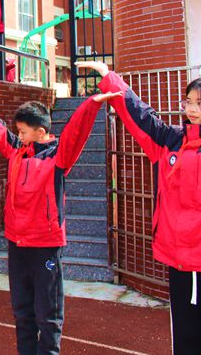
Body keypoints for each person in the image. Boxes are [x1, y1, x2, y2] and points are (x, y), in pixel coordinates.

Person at [0, 70, 117, 354]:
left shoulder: (58, 156)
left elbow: (76, 134)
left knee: (48, 313)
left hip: (45, 246)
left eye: (24, 131)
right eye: (18, 132)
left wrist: (92, 104)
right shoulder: (17, 150)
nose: (19, 136)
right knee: (22, 310)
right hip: (18, 243)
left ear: (41, 132)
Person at [81, 60, 201, 354]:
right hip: (180, 257)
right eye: (189, 101)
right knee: (185, 334)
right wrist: (110, 78)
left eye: (200, 103)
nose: (193, 108)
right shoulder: (170, 140)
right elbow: (142, 117)